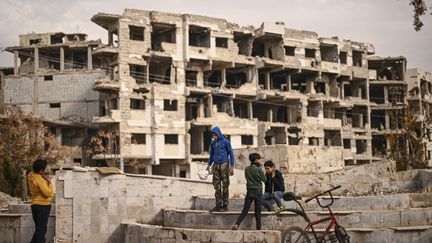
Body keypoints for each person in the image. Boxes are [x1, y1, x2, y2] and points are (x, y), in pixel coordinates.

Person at [232, 153, 266, 230]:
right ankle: (258, 229)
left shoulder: (247, 169)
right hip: (258, 191)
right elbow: (264, 180)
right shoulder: (258, 169)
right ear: (257, 160)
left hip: (250, 191)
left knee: (245, 210)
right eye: (259, 159)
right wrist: (261, 169)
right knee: (257, 212)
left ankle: (237, 224)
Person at [206, 127, 235, 212]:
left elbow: (231, 154)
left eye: (215, 135)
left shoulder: (226, 142)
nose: (214, 137)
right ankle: (218, 205)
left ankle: (225, 205)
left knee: (225, 185)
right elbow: (211, 155)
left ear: (219, 134)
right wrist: (208, 164)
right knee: (216, 186)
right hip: (215, 165)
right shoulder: (212, 143)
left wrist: (232, 166)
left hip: (224, 165)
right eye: (213, 135)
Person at [28, 159, 54, 243]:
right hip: (43, 205)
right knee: (41, 230)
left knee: (39, 229)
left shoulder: (31, 176)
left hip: (34, 205)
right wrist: (49, 183)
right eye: (45, 168)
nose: (46, 170)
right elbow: (47, 193)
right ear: (41, 169)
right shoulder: (39, 179)